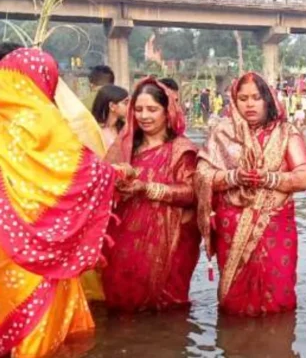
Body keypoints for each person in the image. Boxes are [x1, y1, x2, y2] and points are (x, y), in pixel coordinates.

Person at [0, 47, 117, 357]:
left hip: (5, 241)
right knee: (39, 330)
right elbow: (84, 171)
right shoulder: (42, 120)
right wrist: (116, 173)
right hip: (41, 250)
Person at [196, 72, 306, 316]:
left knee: (277, 298)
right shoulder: (222, 133)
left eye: (256, 97)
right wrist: (233, 177)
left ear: (267, 99)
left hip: (275, 225)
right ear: (234, 101)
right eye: (242, 98)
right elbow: (202, 176)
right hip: (231, 229)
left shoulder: (285, 132)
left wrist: (269, 178)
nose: (249, 104)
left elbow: (304, 178)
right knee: (233, 304)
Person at [103, 78, 200, 312]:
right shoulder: (125, 147)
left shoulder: (181, 149)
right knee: (124, 303)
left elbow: (192, 194)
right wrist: (117, 181)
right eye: (138, 109)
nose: (144, 116)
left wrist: (147, 188)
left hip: (171, 240)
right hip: (125, 237)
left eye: (152, 110)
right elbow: (103, 185)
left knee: (167, 309)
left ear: (168, 112)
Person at [91, 84, 130, 149]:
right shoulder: (95, 132)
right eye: (125, 103)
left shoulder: (124, 128)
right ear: (112, 106)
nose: (129, 106)